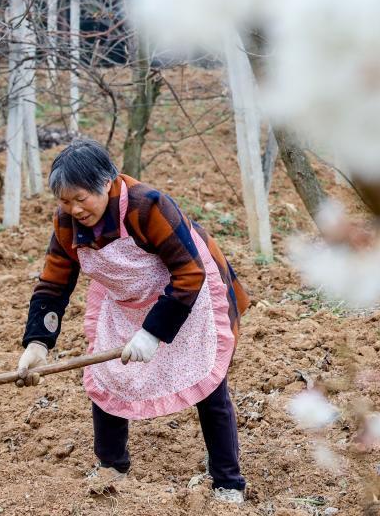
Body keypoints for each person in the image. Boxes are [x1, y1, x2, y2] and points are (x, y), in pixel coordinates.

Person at [15, 139, 250, 503]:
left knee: (207, 381)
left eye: (81, 199)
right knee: (107, 379)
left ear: (106, 184)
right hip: (124, 301)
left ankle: (227, 480)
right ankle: (111, 464)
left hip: (184, 295)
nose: (73, 209)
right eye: (64, 201)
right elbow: (54, 283)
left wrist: (153, 333)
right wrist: (37, 343)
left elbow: (189, 272)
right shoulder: (66, 223)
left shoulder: (148, 206)